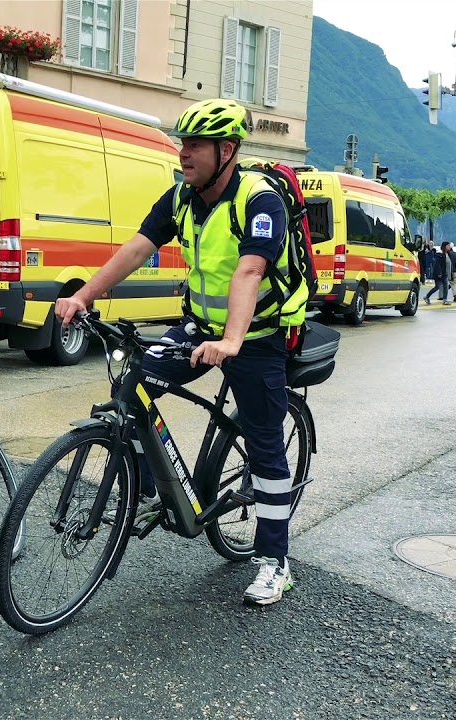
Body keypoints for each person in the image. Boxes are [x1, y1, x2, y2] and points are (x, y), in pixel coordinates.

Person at [53, 98, 305, 606]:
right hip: (199, 326)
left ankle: (274, 561)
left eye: (194, 145)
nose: (183, 153)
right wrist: (82, 294)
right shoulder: (181, 197)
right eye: (182, 143)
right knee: (133, 382)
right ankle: (146, 487)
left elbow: (250, 271)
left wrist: (232, 341)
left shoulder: (260, 200)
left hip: (257, 336)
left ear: (226, 149)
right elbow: (136, 248)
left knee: (264, 445)